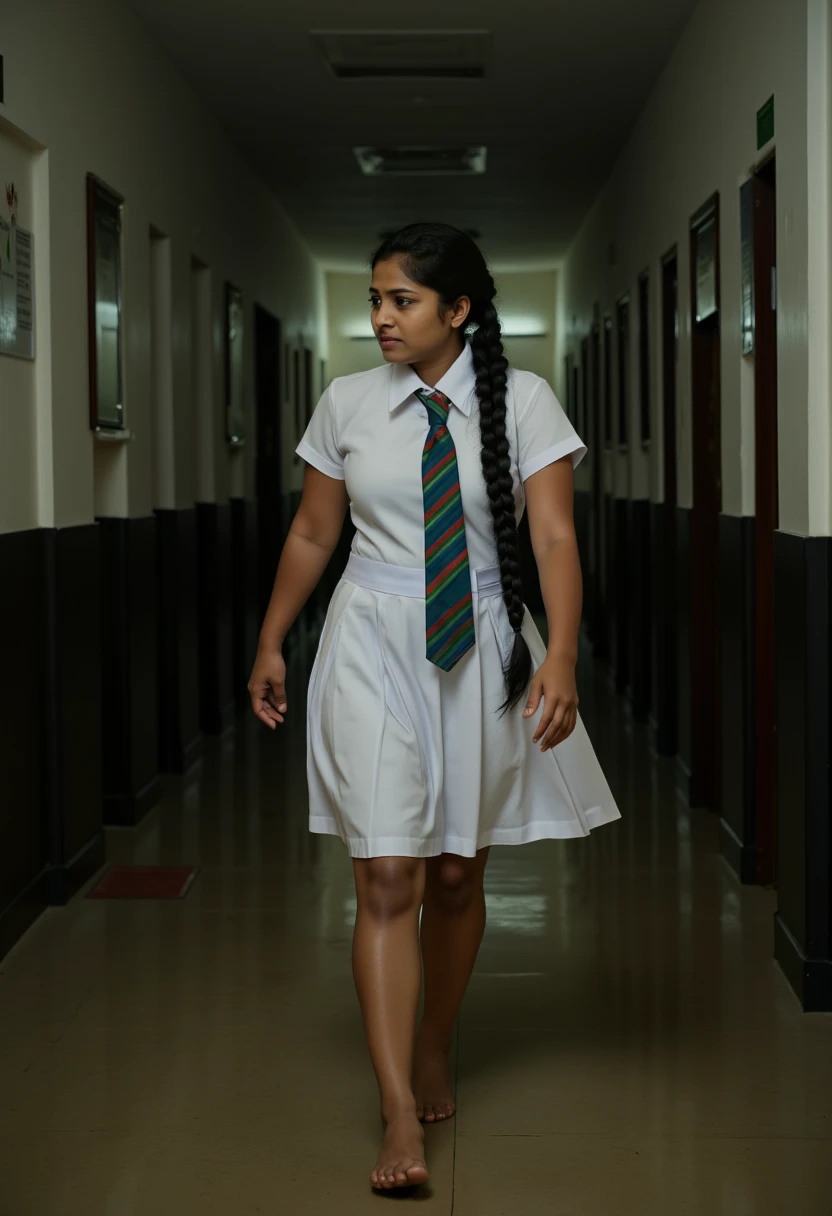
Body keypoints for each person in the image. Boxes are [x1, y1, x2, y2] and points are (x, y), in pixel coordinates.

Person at [247, 222, 621, 1191]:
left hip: (484, 648)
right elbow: (311, 530)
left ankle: (434, 1043)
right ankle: (396, 1113)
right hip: (369, 644)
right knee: (385, 878)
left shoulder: (524, 401)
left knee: (456, 873)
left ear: (457, 310)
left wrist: (564, 653)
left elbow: (551, 537)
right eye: (372, 299)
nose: (379, 318)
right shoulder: (345, 404)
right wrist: (270, 639)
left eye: (400, 301)